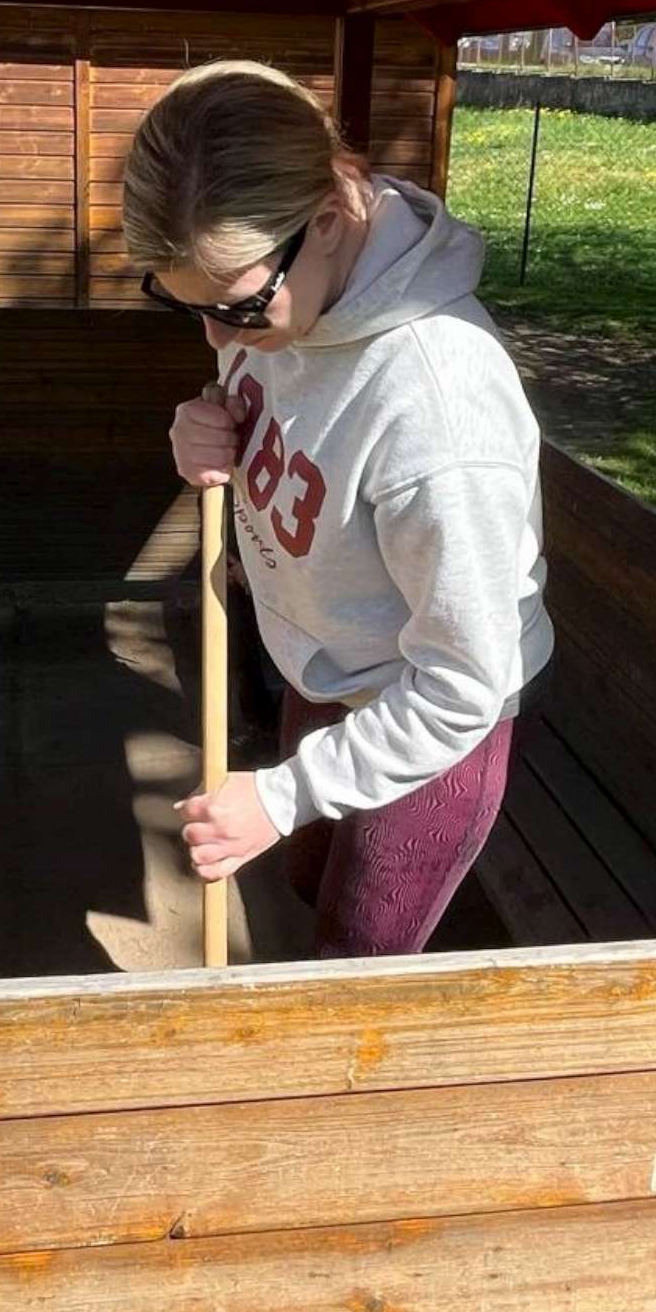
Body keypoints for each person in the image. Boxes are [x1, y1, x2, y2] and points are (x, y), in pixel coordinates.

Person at [132, 59, 552, 960]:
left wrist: (281, 794)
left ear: (327, 217)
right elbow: (264, 404)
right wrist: (204, 430)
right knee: (304, 882)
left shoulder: (440, 412)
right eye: (186, 305)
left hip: (427, 717)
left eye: (239, 308)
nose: (218, 337)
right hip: (323, 670)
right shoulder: (286, 292)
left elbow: (463, 686)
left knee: (355, 966)